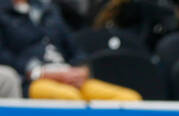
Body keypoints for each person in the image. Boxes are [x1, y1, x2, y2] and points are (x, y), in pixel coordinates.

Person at [1, 0, 142, 99]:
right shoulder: (3, 12)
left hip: (68, 74)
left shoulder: (48, 9)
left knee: (129, 98)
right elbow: (5, 56)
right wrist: (37, 73)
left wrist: (81, 69)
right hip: (34, 80)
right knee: (69, 98)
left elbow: (74, 47)